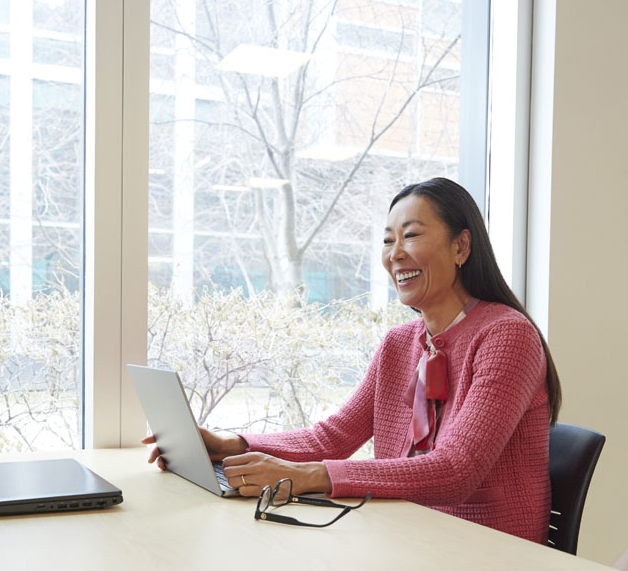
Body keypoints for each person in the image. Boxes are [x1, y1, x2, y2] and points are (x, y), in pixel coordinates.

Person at [145, 177, 562, 544]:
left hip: (491, 558)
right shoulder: (399, 344)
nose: (395, 254)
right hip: (408, 537)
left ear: (461, 246)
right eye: (387, 240)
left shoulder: (506, 335)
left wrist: (308, 476)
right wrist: (230, 446)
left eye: (411, 236)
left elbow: (455, 470)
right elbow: (332, 438)